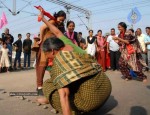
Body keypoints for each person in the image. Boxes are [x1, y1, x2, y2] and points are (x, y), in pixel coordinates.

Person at [37, 11, 111, 115]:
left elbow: (64, 95)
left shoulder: (59, 62)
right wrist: (44, 19)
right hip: (105, 86)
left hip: (91, 100)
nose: (48, 58)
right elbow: (57, 32)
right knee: (68, 79)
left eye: (47, 54)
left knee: (48, 85)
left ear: (53, 51)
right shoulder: (69, 44)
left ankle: (53, 101)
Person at [35, 9, 66, 95]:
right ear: (57, 17)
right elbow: (42, 28)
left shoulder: (60, 24)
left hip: (54, 46)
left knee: (54, 65)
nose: (61, 21)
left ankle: (55, 84)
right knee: (42, 64)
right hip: (46, 45)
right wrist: (41, 39)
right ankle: (39, 86)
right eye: (60, 19)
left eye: (63, 20)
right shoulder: (52, 21)